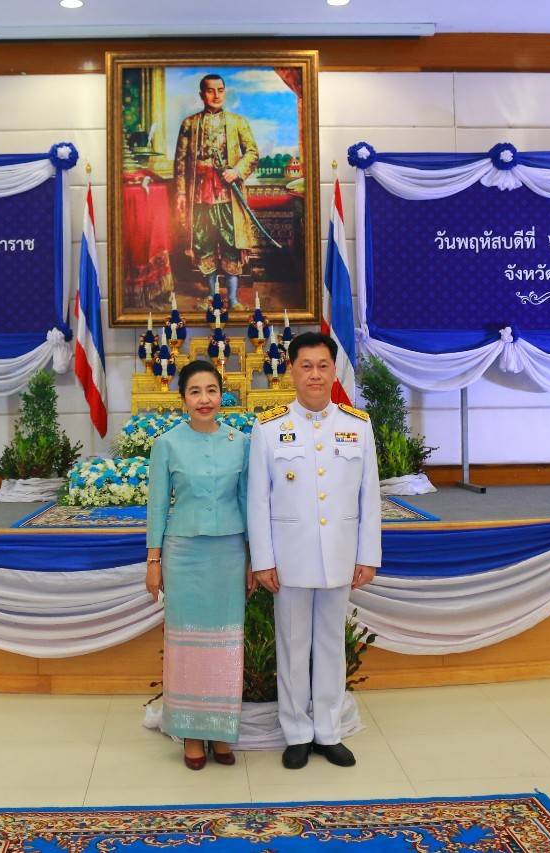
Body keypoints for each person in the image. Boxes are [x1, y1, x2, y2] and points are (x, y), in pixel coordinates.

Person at [247, 331, 381, 770]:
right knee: (292, 643)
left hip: (340, 555)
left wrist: (367, 555)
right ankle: (297, 732)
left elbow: (368, 497)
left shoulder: (357, 426)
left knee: (329, 644)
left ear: (332, 370)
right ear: (291, 370)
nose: (315, 375)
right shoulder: (268, 428)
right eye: (306, 366)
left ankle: (327, 729)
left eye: (323, 365)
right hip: (289, 557)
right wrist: (263, 559)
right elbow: (258, 500)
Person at [146, 360, 251, 770]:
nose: (204, 399)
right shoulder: (167, 444)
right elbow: (157, 507)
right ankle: (190, 732)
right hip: (184, 554)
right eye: (195, 391)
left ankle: (221, 732)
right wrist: (153, 561)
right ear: (183, 399)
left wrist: (254, 559)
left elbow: (247, 502)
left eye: (211, 390)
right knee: (187, 645)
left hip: (229, 553)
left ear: (222, 394)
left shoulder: (240, 442)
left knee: (225, 644)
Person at [173, 73, 259, 311]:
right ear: (202, 94)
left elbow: (252, 153)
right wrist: (181, 195)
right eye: (210, 91)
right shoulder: (189, 124)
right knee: (203, 244)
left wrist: (237, 171)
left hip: (227, 196)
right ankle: (213, 297)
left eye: (220, 90)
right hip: (199, 197)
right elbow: (180, 163)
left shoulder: (238, 122)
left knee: (231, 244)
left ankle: (232, 299)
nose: (216, 95)